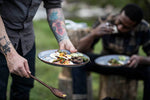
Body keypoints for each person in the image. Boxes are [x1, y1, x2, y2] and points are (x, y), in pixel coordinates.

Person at [0, 0, 77, 100]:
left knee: (23, 88)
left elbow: (53, 5)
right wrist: (10, 54)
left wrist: (63, 39)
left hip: (26, 40)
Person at [71, 3, 150, 100]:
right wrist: (93, 34)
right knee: (78, 60)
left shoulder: (144, 27)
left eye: (126, 27)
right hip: (104, 63)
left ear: (135, 26)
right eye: (119, 22)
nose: (120, 27)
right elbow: (80, 50)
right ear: (119, 14)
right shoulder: (104, 20)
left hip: (129, 65)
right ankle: (80, 98)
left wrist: (141, 59)